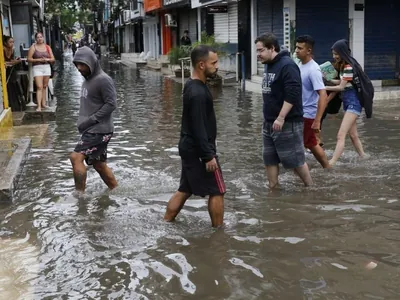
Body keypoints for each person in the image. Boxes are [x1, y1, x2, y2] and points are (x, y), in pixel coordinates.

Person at [164, 45, 226, 228]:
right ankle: (218, 232)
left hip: (189, 147)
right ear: (201, 65)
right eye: (213, 63)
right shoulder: (198, 92)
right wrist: (208, 155)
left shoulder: (192, 85)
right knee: (217, 190)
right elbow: (198, 126)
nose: (217, 66)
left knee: (185, 188)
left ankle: (166, 222)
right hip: (199, 150)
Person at [255, 33, 313, 188]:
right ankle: (273, 188)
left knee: (295, 160)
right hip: (268, 122)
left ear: (272, 48)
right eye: (257, 51)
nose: (257, 54)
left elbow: (293, 94)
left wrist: (281, 118)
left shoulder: (287, 66)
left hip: (287, 122)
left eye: (260, 51)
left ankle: (311, 188)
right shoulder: (268, 64)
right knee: (269, 159)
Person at [70, 46, 118, 192]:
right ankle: (116, 190)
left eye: (83, 64)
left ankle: (80, 197)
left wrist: (91, 120)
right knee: (99, 164)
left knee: (76, 157)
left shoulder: (103, 80)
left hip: (99, 130)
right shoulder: (88, 79)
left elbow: (111, 104)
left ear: (92, 62)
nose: (79, 68)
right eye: (77, 64)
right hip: (91, 129)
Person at [325, 39, 366, 166]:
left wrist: (324, 87)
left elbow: (341, 88)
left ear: (342, 53)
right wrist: (328, 79)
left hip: (353, 104)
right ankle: (364, 157)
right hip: (349, 104)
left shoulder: (348, 66)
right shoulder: (346, 66)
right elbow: (343, 82)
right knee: (353, 135)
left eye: (336, 54)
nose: (334, 56)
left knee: (340, 135)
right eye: (333, 54)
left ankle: (332, 162)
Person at [295, 35, 330, 168]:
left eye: (300, 48)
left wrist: (317, 120)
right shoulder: (299, 64)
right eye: (296, 47)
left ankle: (327, 167)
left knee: (310, 143)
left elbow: (323, 94)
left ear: (309, 51)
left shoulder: (313, 69)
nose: (296, 50)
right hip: (299, 112)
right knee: (306, 143)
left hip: (309, 113)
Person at [27, 32, 55, 111]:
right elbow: (28, 59)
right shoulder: (33, 47)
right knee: (39, 86)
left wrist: (47, 59)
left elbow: (53, 59)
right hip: (37, 67)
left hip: (46, 67)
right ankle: (39, 106)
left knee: (45, 86)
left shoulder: (47, 47)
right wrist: (38, 59)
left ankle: (43, 104)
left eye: (41, 37)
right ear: (35, 39)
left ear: (43, 38)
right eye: (38, 37)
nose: (40, 39)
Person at [3, 35, 24, 111]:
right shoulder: (3, 49)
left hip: (11, 70)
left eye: (13, 42)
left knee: (14, 82)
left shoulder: (12, 50)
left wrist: (16, 60)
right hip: (5, 70)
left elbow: (11, 61)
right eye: (10, 42)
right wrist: (14, 62)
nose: (12, 44)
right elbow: (4, 62)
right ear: (5, 43)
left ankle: (15, 104)